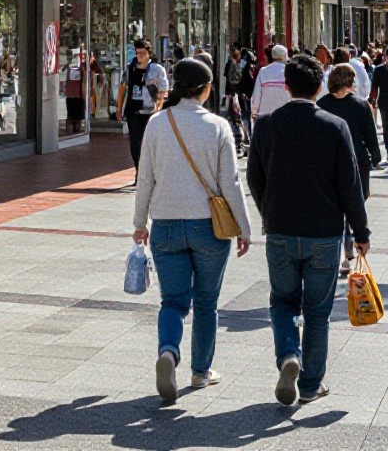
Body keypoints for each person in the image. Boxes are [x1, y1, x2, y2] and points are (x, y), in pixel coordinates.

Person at [247, 54, 370, 406]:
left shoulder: (267, 124)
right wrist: (361, 233)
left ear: (286, 86)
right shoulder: (334, 126)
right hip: (324, 233)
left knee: (282, 301)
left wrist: (267, 212)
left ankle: (288, 354)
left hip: (281, 229)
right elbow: (350, 185)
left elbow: (255, 178)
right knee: (317, 311)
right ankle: (311, 383)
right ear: (319, 87)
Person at [132, 58, 251, 403]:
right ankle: (200, 371)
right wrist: (243, 227)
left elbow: (145, 180)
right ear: (205, 88)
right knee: (206, 301)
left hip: (166, 224)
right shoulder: (217, 126)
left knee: (172, 301)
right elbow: (230, 181)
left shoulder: (156, 124)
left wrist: (140, 224)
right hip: (209, 227)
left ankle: (168, 352)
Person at [317, 63, 381, 276]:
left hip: (328, 163)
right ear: (351, 81)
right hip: (357, 162)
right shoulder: (361, 105)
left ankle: (342, 253)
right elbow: (370, 134)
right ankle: (348, 248)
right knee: (354, 205)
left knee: (336, 209)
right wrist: (376, 155)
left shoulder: (322, 104)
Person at [116, 39, 169, 186]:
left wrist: (158, 107)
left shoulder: (157, 69)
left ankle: (151, 173)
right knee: (135, 144)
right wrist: (119, 108)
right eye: (138, 52)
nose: (140, 56)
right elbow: (122, 89)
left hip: (150, 111)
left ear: (148, 53)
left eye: (143, 53)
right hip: (133, 110)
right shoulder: (130, 68)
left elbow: (163, 90)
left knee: (150, 143)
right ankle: (140, 172)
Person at [251, 44, 291, 121]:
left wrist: (254, 111)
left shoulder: (263, 71)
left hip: (265, 117)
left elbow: (256, 95)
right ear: (285, 55)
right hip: (285, 117)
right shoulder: (290, 71)